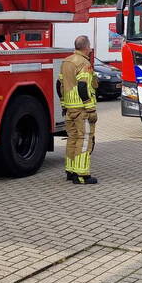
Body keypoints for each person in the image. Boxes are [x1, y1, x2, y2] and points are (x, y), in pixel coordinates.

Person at [58, 35, 99, 184]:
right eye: (89, 47)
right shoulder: (84, 63)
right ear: (86, 47)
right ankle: (81, 175)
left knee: (72, 139)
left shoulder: (66, 61)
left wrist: (63, 104)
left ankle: (70, 171)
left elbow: (59, 84)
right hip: (82, 109)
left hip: (70, 108)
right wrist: (90, 108)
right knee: (84, 140)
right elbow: (83, 86)